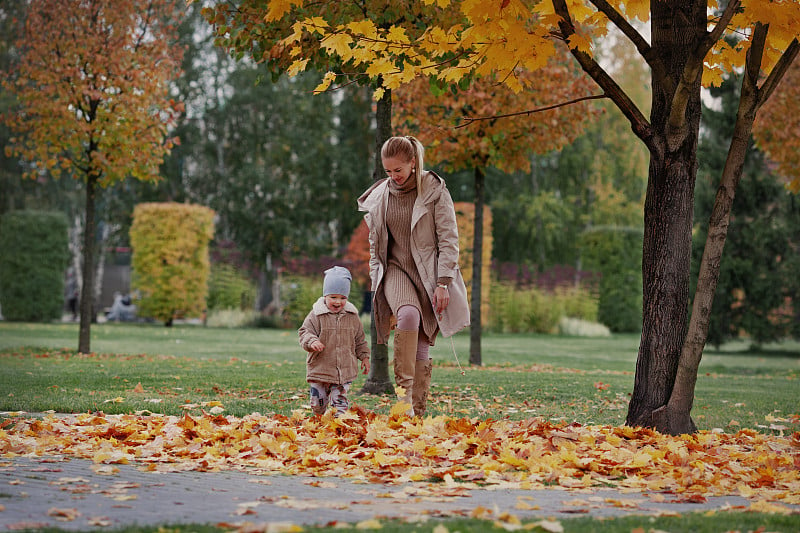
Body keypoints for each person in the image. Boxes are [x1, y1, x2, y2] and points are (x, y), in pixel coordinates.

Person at [358, 135, 470, 417]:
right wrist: (376, 278)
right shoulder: (380, 195)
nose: (393, 177)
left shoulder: (434, 190)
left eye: (398, 170)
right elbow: (375, 245)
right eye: (388, 171)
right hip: (395, 270)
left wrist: (443, 282)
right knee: (408, 315)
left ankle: (417, 412)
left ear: (413, 162)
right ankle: (404, 399)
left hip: (428, 273)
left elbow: (448, 239)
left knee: (421, 339)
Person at [298, 266, 371, 417]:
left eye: (343, 298)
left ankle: (339, 423)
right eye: (333, 297)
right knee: (318, 404)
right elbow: (305, 332)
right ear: (325, 295)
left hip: (343, 370)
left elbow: (359, 339)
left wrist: (364, 357)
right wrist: (312, 341)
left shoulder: (352, 316)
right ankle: (319, 417)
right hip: (320, 368)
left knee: (340, 402)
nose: (338, 302)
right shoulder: (316, 315)